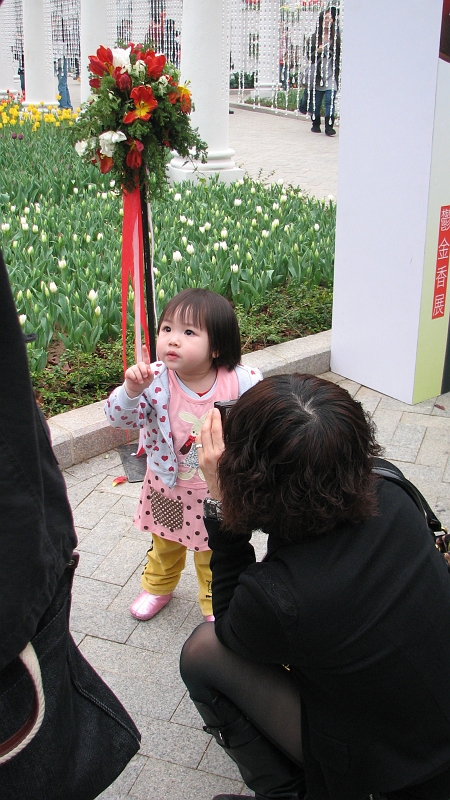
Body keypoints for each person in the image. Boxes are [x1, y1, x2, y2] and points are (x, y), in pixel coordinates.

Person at [180, 374, 450, 800]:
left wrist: (221, 501)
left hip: (387, 770)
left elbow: (231, 627)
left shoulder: (280, 598)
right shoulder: (391, 488)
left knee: (203, 652)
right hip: (432, 709)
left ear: (251, 477)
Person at [105, 289, 262, 622]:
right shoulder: (154, 382)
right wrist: (131, 391)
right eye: (167, 329)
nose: (173, 340)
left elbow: (260, 426)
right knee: (164, 546)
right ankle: (158, 586)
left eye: (189, 332)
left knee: (212, 552)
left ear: (216, 346)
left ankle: (214, 601)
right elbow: (119, 419)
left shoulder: (240, 382)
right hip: (169, 487)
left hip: (217, 492)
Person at [299, 6, 340, 136]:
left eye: (330, 18)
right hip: (317, 76)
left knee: (329, 100)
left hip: (331, 74)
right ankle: (315, 123)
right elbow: (309, 57)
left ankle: (329, 127)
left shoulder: (337, 38)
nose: (328, 20)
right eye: (325, 18)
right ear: (321, 21)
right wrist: (317, 51)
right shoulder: (314, 38)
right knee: (316, 103)